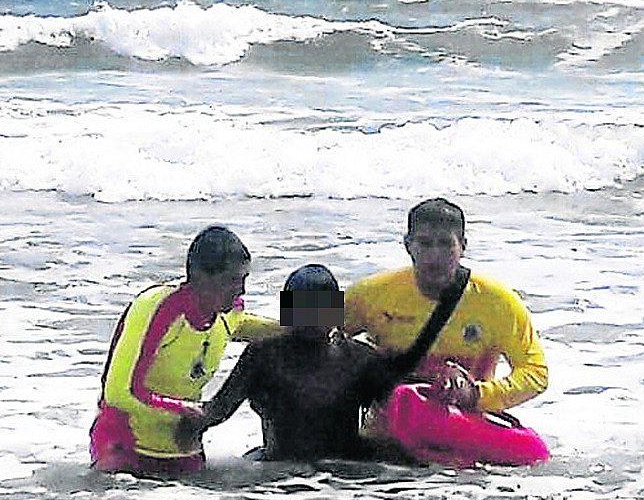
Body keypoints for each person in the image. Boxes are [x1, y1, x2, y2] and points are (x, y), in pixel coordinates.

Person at [178, 264, 451, 462]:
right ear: (287, 313)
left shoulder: (358, 359)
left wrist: (448, 386)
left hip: (346, 482)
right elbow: (217, 411)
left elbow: (406, 402)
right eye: (302, 308)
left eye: (320, 308)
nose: (311, 317)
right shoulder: (262, 356)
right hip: (279, 479)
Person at [344, 198, 548, 455]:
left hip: (459, 437)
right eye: (425, 244)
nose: (434, 256)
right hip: (386, 445)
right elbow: (295, 328)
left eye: (445, 244)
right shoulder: (370, 293)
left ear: (462, 246)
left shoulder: (499, 302)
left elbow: (536, 373)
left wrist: (476, 394)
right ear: (408, 246)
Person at [89, 225, 278, 476]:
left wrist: (325, 314)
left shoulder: (229, 314)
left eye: (244, 280)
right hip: (124, 447)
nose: (241, 290)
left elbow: (269, 327)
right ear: (201, 278)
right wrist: (184, 411)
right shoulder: (156, 306)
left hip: (182, 449)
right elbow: (117, 393)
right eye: (232, 280)